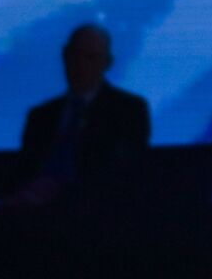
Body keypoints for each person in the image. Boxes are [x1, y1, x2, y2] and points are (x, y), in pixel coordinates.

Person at [8, 24, 151, 209]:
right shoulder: (40, 116)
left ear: (107, 63)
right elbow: (23, 171)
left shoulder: (128, 111)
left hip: (98, 215)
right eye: (75, 56)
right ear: (65, 56)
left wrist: (62, 193)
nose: (80, 65)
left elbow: (124, 174)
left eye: (90, 58)